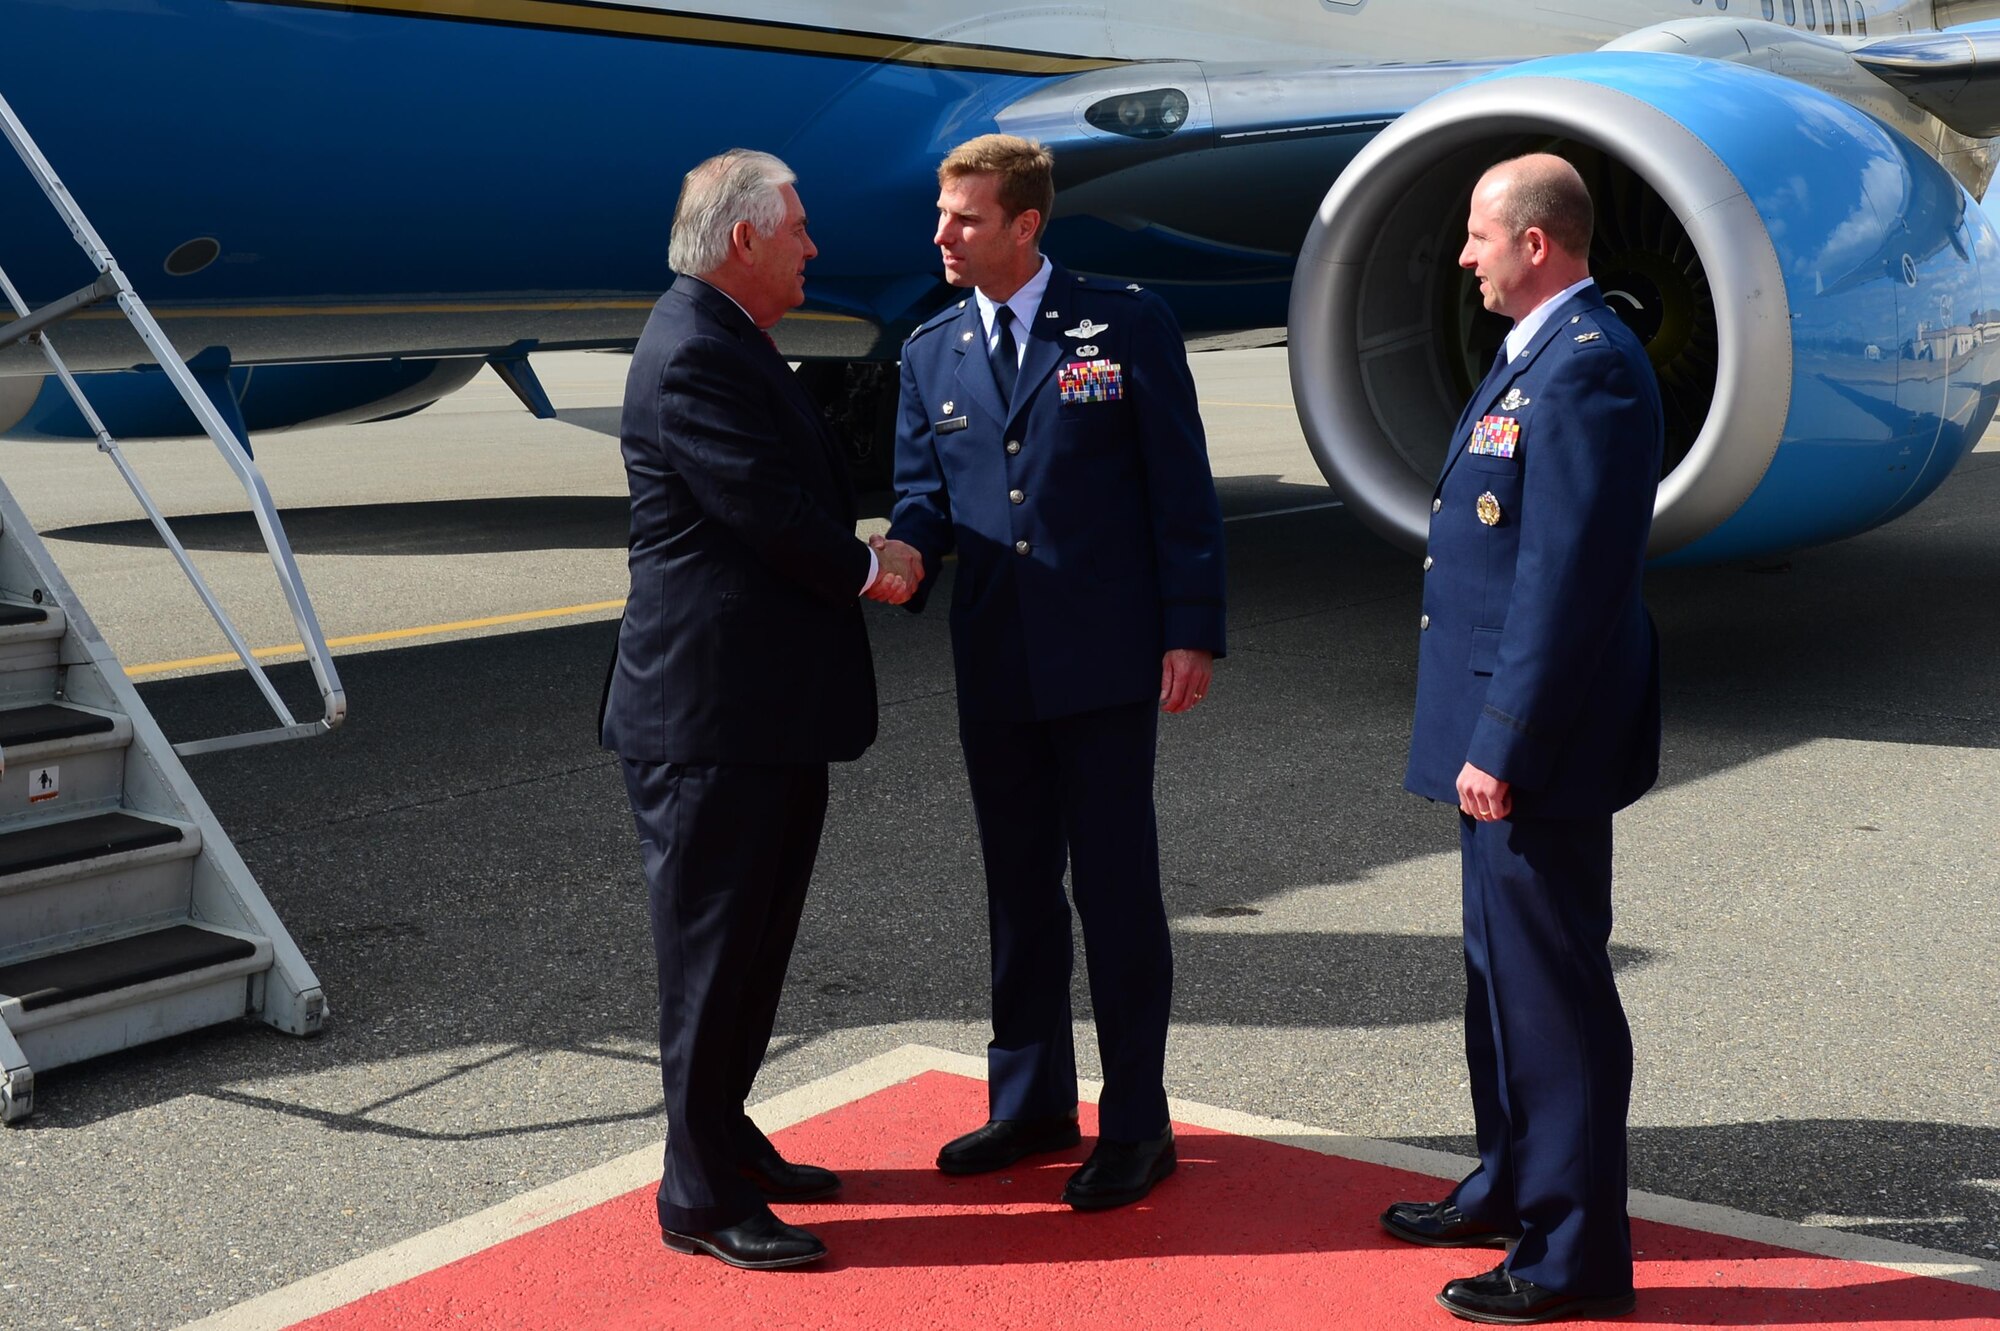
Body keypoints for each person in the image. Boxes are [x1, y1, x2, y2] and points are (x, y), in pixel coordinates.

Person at [886, 134, 1226, 1210]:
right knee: (1017, 888)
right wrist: (895, 553)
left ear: (1025, 224)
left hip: (1105, 655)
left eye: (965, 218)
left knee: (1116, 892)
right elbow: (922, 498)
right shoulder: (928, 349)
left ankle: (1135, 1119)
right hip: (995, 659)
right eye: (941, 215)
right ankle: (1031, 1099)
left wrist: (1189, 628)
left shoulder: (1122, 323)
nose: (941, 235)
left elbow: (1179, 487)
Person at [600, 148, 923, 1271]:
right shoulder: (693, 350)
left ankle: (724, 1135)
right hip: (709, 720)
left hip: (762, 712)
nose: (812, 245)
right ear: (744, 238)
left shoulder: (724, 336)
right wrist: (869, 567)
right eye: (797, 228)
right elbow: (767, 511)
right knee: (708, 956)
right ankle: (697, 1194)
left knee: (751, 946)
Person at [1387, 153, 1663, 1324]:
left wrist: (1499, 739)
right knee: (1498, 978)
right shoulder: (1535, 357)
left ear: (1535, 244)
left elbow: (1564, 585)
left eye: (1475, 236)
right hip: (1495, 726)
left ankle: (1572, 1251)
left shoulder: (1586, 370)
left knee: (1552, 996)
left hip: (1532, 739)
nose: (1463, 254)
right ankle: (1509, 1178)